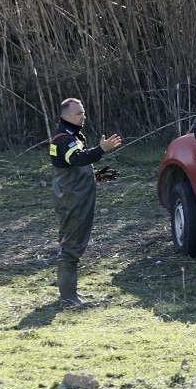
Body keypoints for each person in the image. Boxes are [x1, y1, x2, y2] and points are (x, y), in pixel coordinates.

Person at [49, 98, 123, 307]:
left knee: (73, 246)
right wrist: (101, 149)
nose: (83, 116)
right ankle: (68, 298)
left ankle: (71, 294)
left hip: (76, 198)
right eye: (78, 113)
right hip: (72, 201)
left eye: (83, 112)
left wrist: (95, 176)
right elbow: (78, 159)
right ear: (65, 116)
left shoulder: (71, 136)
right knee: (70, 248)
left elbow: (73, 167)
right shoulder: (63, 139)